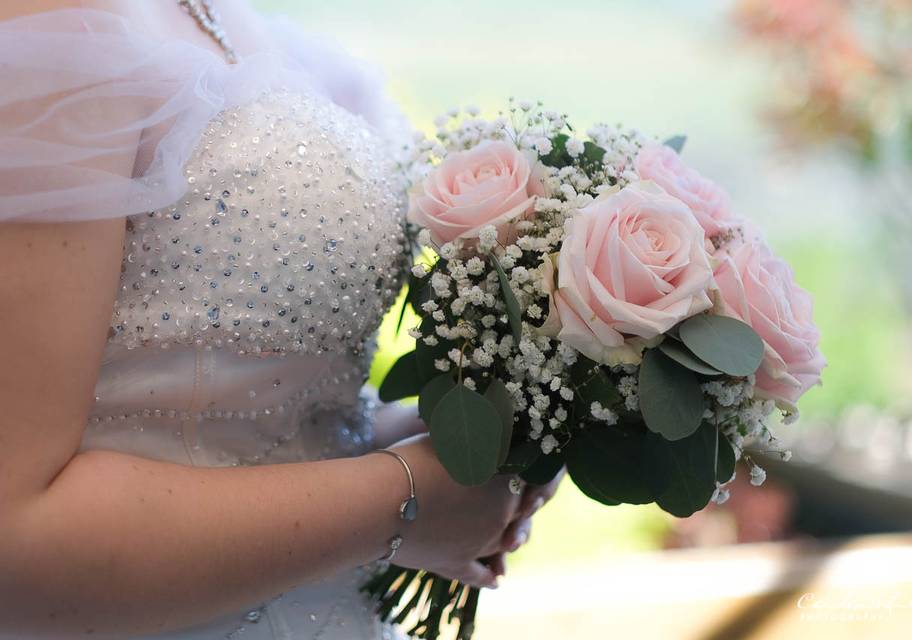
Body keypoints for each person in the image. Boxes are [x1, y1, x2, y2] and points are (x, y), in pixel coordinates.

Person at [0, 1, 559, 637]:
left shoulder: (248, 26)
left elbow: (232, 416)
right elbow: (14, 535)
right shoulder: (46, 21)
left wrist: (446, 442)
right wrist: (407, 500)